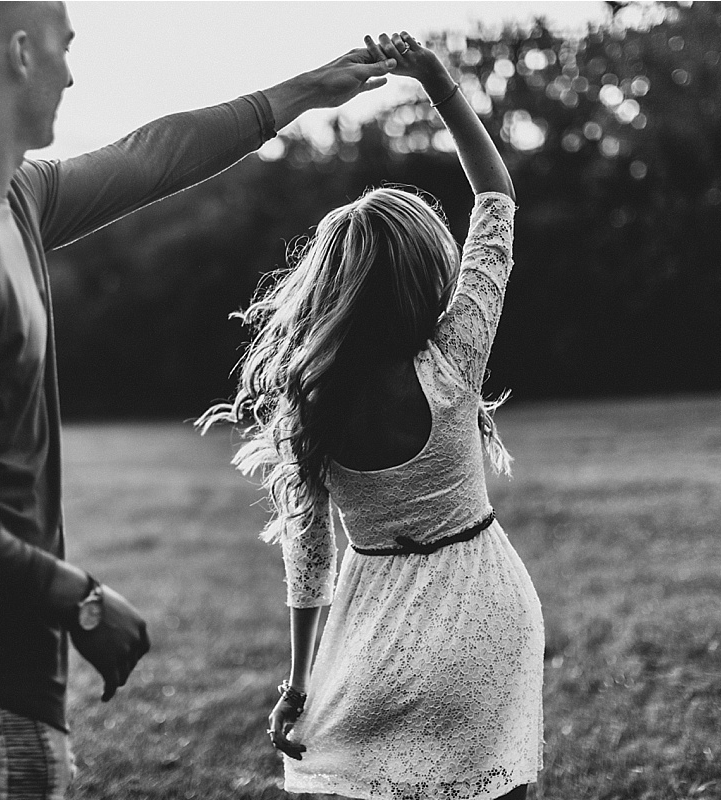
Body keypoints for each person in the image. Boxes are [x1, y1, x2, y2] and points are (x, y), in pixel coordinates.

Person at [0, 3, 397, 798]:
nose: (70, 71)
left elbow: (152, 156)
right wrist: (77, 597)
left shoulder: (10, 201)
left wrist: (303, 91)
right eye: (65, 47)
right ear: (21, 52)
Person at [199, 31, 544, 801]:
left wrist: (297, 681)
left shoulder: (311, 402)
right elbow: (496, 201)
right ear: (430, 273)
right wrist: (438, 82)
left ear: (328, 286)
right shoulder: (453, 360)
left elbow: (309, 558)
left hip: (376, 630)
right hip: (490, 615)